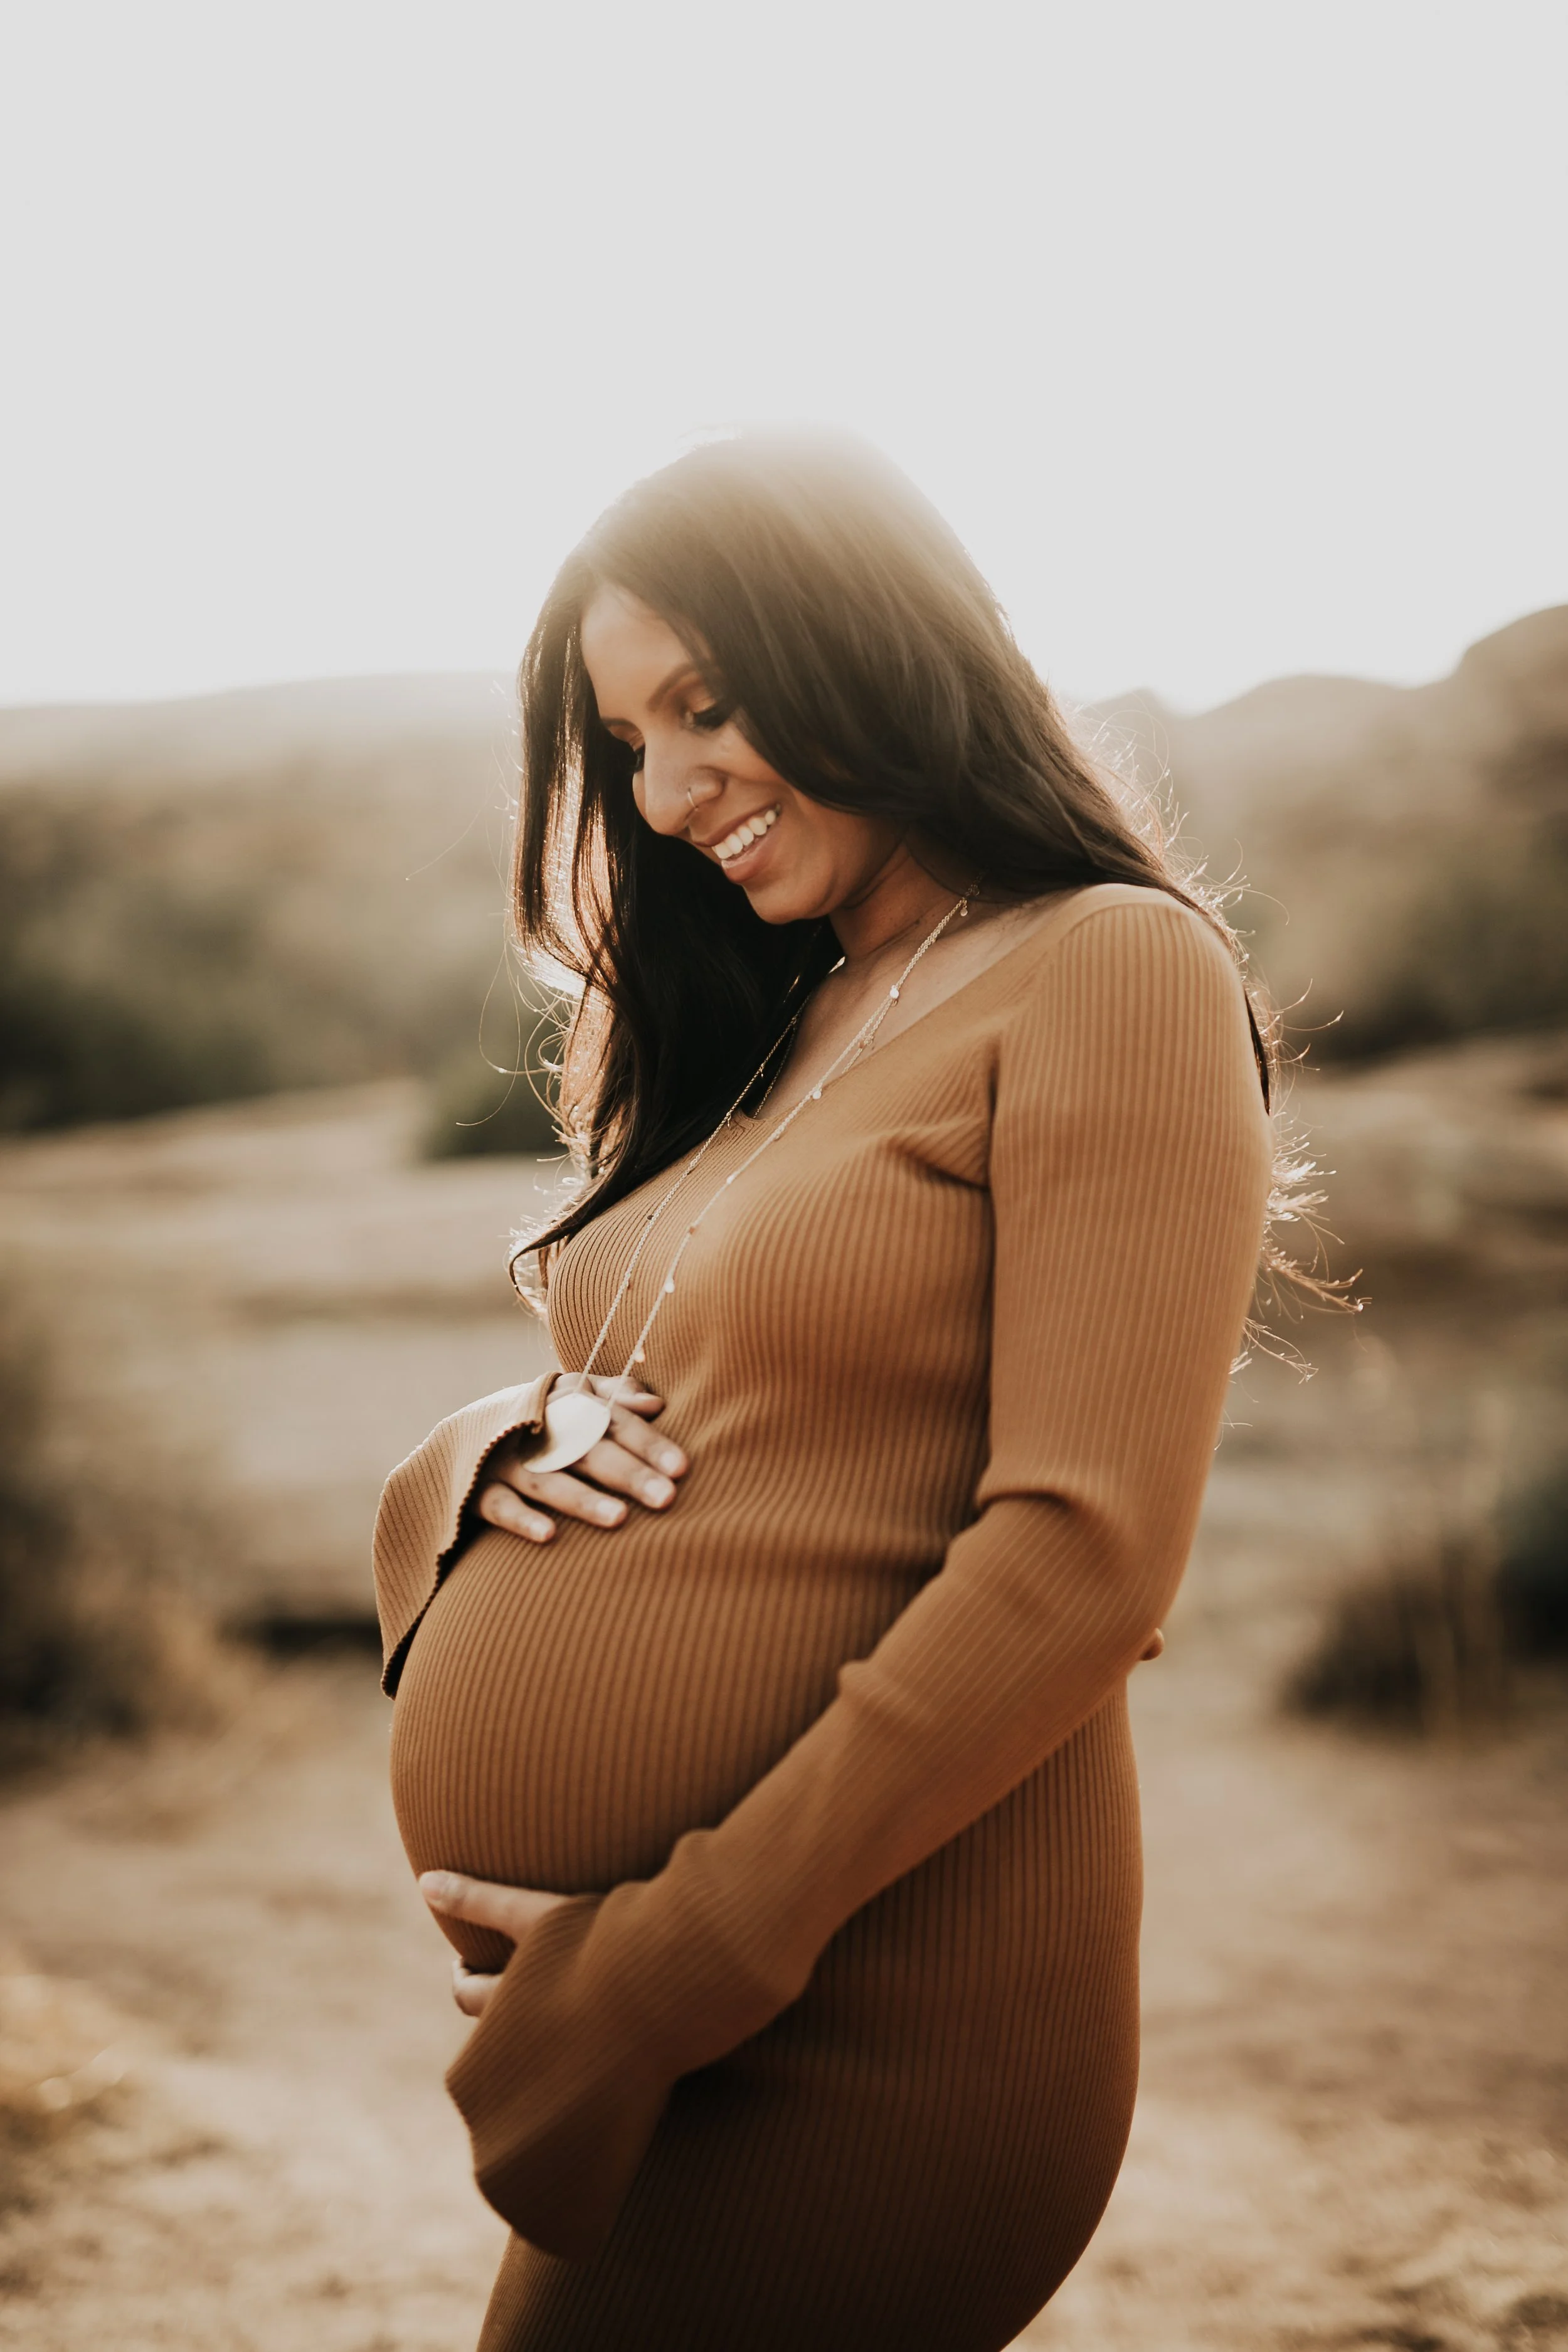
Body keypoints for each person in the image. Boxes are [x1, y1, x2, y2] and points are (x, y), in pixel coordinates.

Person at [373, 432, 1278, 2351]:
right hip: (664, 2001)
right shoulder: (775, 1002)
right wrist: (478, 1455)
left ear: (869, 634)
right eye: (623, 739)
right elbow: (674, 1386)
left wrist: (673, 1963)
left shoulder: (1105, 969)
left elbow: (1082, 1557)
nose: (666, 786)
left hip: (876, 1998)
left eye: (704, 701)